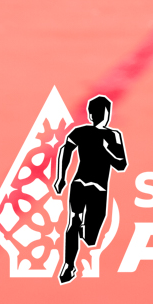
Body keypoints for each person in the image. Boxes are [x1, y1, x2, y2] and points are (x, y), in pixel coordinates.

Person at [52, 94, 127, 284]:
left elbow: (121, 164)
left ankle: (81, 235)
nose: (102, 116)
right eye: (100, 112)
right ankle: (69, 264)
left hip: (93, 188)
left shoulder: (112, 135)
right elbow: (65, 150)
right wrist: (61, 177)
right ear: (93, 114)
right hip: (84, 184)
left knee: (89, 236)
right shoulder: (84, 132)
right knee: (74, 221)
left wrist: (105, 151)